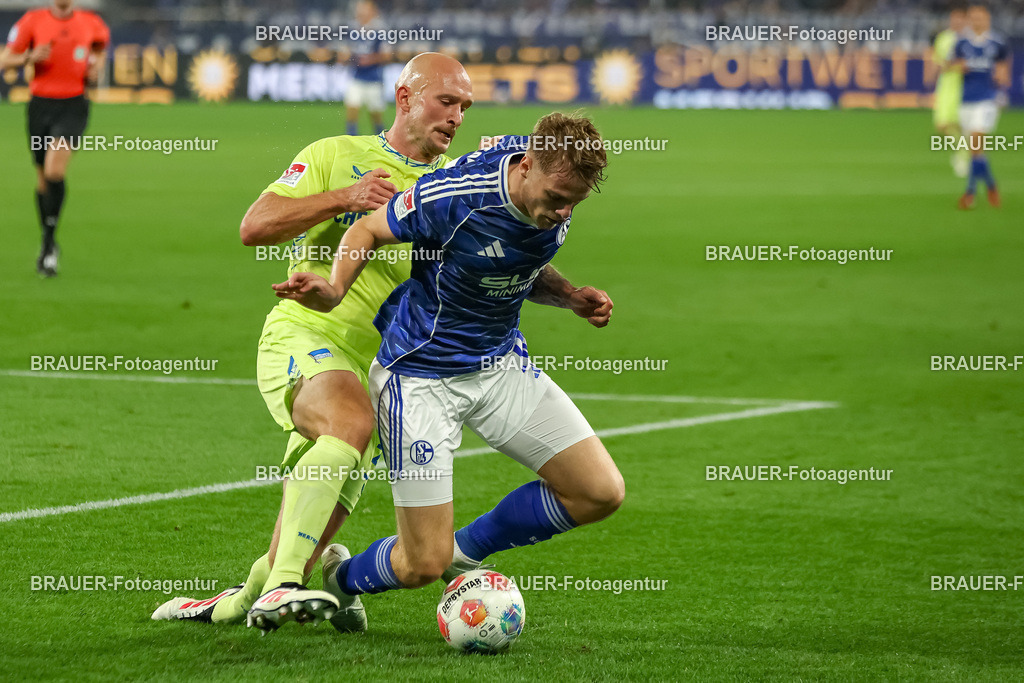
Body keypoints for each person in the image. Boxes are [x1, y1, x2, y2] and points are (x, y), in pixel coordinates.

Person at [151, 53, 474, 633]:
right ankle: (284, 588)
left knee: (305, 530)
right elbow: (255, 227)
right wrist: (344, 197)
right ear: (404, 98)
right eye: (446, 101)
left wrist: (567, 292)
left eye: (465, 107)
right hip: (305, 334)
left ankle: (236, 601)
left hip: (380, 371)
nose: (456, 116)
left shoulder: (454, 186)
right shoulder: (334, 154)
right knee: (349, 424)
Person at [271, 112, 625, 622]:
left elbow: (514, 258)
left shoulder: (549, 178)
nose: (563, 211)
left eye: (575, 203)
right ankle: (340, 577)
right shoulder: (454, 197)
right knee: (420, 565)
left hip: (500, 365)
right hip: (421, 378)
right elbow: (369, 228)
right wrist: (334, 288)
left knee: (600, 493)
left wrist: (568, 296)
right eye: (556, 198)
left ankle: (463, 553)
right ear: (527, 166)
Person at [1, 0, 108, 277]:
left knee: (54, 171)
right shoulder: (32, 21)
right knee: (42, 179)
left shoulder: (91, 23)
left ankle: (48, 245)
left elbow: (99, 50)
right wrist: (29, 57)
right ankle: (48, 242)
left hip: (73, 105)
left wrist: (95, 69)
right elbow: (5, 59)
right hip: (40, 107)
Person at [953, 3, 1010, 210]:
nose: (977, 21)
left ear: (987, 19)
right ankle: (991, 186)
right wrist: (959, 67)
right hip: (966, 100)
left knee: (976, 142)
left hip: (987, 100)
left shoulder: (997, 43)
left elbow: (1003, 68)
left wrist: (1001, 85)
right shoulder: (961, 43)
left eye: (980, 17)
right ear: (969, 20)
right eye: (974, 17)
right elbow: (953, 65)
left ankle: (969, 193)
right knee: (976, 151)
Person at [932, 5, 969, 177]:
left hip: (965, 85)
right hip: (947, 85)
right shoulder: (944, 38)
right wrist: (955, 66)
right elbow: (940, 63)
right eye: (954, 18)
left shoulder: (969, 38)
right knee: (943, 124)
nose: (956, 21)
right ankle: (962, 151)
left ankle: (964, 156)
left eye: (960, 18)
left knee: (962, 123)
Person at [345, 0, 388, 136]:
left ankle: (381, 140)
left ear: (373, 12)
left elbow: (387, 55)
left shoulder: (380, 30)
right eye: (360, 9)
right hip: (356, 77)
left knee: (376, 115)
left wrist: (371, 59)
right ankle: (351, 140)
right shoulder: (353, 28)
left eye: (365, 9)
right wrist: (347, 56)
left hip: (374, 78)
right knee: (352, 109)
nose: (361, 12)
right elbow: (347, 51)